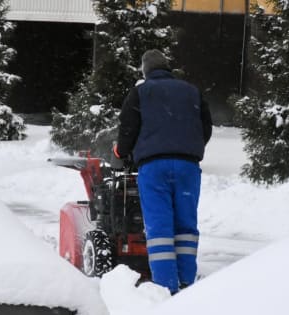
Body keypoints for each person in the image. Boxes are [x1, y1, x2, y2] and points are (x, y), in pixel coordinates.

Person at [113, 49, 212, 294]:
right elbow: (206, 128)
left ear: (145, 72)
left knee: (159, 230)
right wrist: (187, 146)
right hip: (188, 167)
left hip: (154, 167)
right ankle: (187, 284)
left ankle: (166, 290)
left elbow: (127, 130)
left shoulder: (140, 92)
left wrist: (121, 152)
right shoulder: (192, 91)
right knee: (186, 228)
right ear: (167, 68)